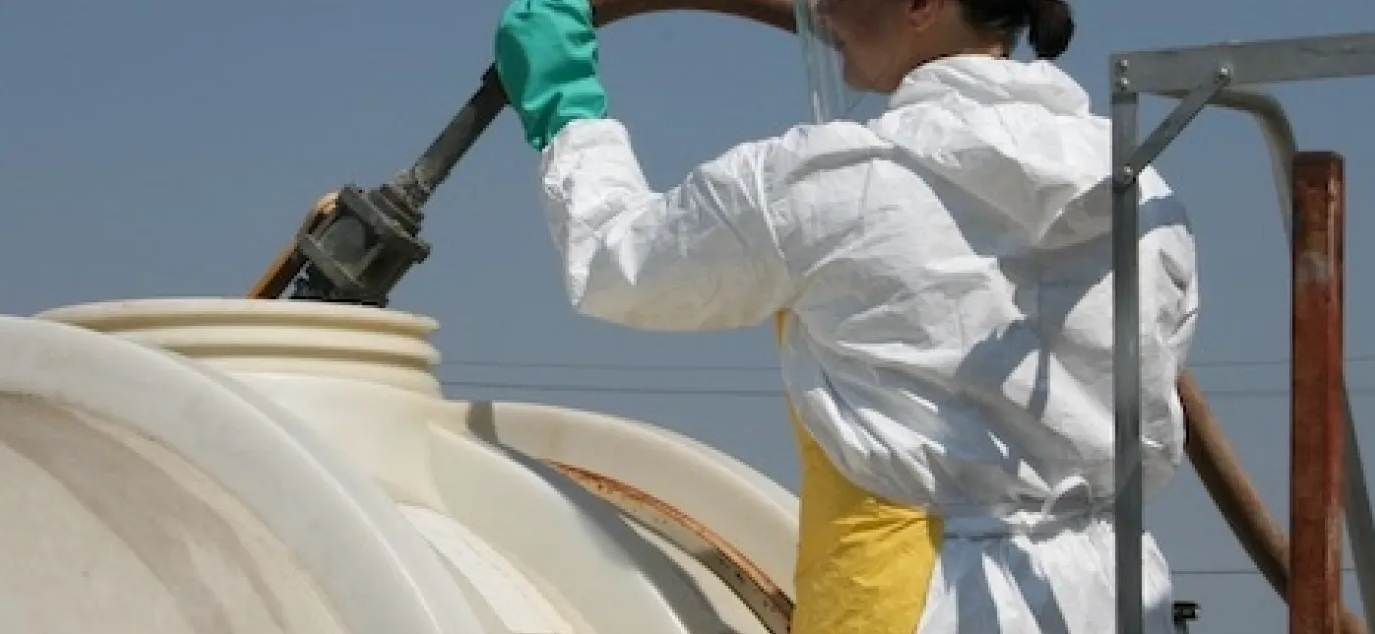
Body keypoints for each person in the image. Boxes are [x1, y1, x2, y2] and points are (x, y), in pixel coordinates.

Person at [493, 0, 1199, 631]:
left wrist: (568, 114)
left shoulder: (837, 178)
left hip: (916, 602)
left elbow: (621, 266)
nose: (817, 11)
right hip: (1117, 597)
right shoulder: (1140, 186)